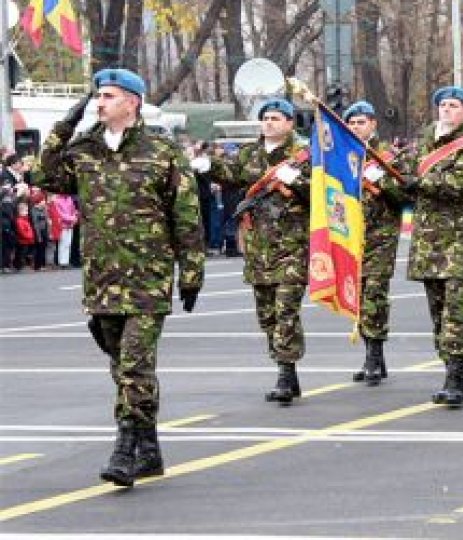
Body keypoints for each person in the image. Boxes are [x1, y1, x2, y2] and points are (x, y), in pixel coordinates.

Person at [35, 68, 205, 487]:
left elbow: (186, 214)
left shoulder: (161, 150)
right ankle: (150, 450)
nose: (100, 103)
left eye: (108, 96)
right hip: (101, 279)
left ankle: (126, 448)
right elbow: (43, 176)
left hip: (147, 278)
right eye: (97, 97)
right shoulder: (85, 149)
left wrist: (192, 272)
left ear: (133, 102)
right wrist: (65, 124)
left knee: (134, 364)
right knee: (123, 365)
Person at [401, 85, 463, 406]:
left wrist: (421, 183)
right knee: (437, 310)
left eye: (454, 106)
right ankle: (454, 372)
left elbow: (461, 185)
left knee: (455, 306)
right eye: (443, 105)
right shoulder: (424, 140)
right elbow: (403, 172)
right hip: (428, 240)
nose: (447, 110)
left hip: (459, 238)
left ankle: (455, 374)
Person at [225, 98, 313, 405]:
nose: (269, 123)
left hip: (292, 245)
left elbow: (325, 194)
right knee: (267, 315)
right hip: (258, 247)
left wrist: (299, 182)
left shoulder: (304, 155)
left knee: (285, 309)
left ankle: (286, 375)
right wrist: (207, 167)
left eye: (276, 118)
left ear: (290, 123)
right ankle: (284, 366)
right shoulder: (250, 153)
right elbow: (230, 174)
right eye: (265, 118)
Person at [344, 100, 408, 386]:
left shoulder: (389, 157)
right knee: (357, 295)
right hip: (349, 235)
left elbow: (407, 198)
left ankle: (374, 353)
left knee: (374, 294)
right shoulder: (341, 156)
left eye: (361, 122)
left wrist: (382, 182)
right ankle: (374, 359)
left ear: (373, 124)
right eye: (352, 123)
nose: (356, 127)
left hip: (380, 235)